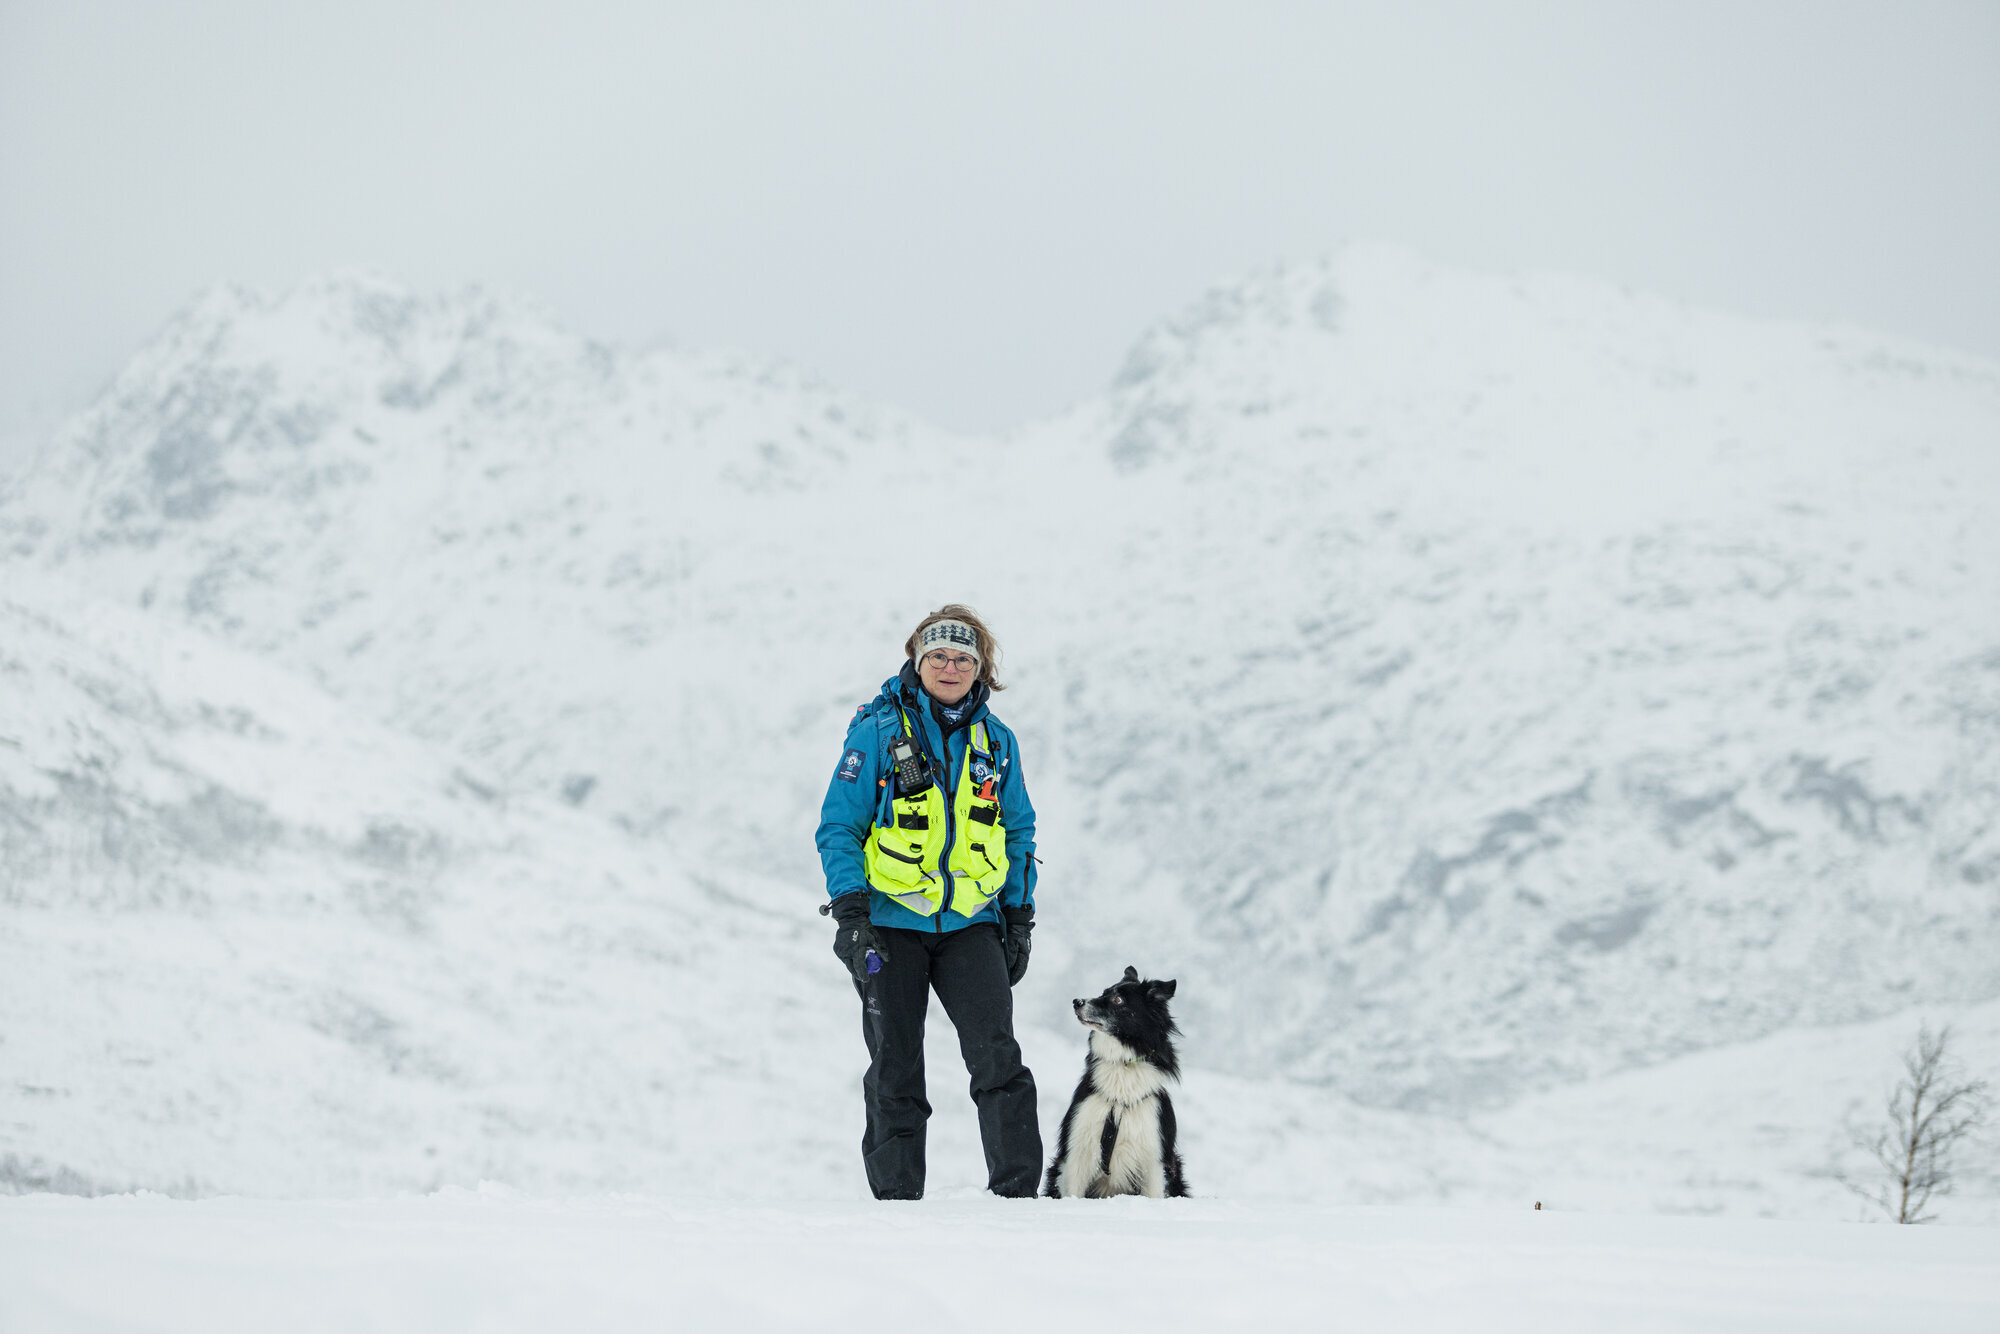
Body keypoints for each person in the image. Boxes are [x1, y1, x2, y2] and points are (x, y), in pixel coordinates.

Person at [815, 604, 1041, 1199]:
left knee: (999, 1059)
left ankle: (1018, 1198)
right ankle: (898, 1204)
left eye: (963, 657)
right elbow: (839, 827)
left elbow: (1018, 831)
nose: (949, 666)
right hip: (889, 924)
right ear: (918, 660)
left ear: (980, 668)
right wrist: (851, 914)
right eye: (937, 655)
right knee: (896, 1064)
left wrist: (1019, 917)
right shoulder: (878, 732)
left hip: (971, 924)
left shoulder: (997, 742)